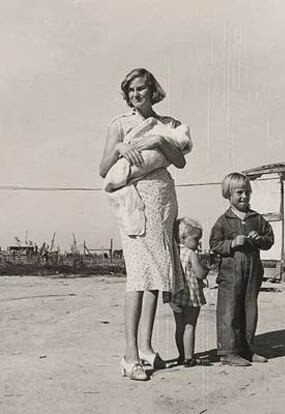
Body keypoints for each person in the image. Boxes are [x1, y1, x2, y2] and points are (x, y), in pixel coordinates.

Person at [99, 68, 189, 381]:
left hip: (163, 200)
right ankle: (129, 355)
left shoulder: (169, 124)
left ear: (152, 90)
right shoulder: (119, 124)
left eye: (142, 89)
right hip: (133, 203)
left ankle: (148, 349)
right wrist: (120, 148)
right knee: (137, 275)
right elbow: (102, 168)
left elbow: (180, 161)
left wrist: (159, 140)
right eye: (131, 91)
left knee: (155, 274)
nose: (137, 95)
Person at [209, 172, 274, 367]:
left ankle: (246, 349)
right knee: (229, 311)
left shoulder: (257, 219)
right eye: (239, 192)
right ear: (228, 195)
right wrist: (231, 244)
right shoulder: (223, 220)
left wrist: (259, 239)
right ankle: (228, 352)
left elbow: (269, 240)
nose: (244, 196)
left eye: (247, 192)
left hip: (252, 271)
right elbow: (214, 243)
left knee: (249, 310)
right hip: (230, 273)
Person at [171, 218, 210, 367]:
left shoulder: (174, 253)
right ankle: (189, 357)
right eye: (196, 239)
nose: (198, 243)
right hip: (191, 296)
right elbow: (199, 274)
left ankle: (181, 355)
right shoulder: (191, 254)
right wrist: (205, 269)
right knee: (190, 325)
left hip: (176, 294)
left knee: (179, 326)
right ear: (183, 237)